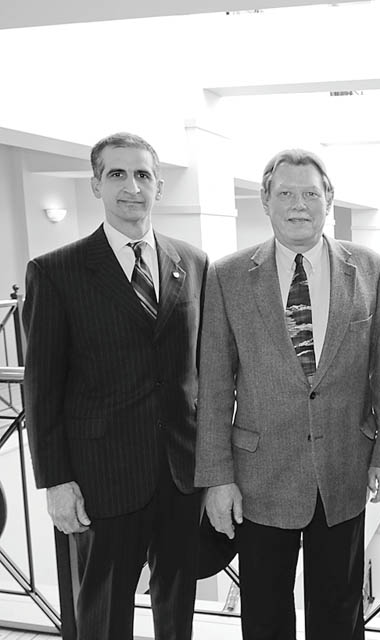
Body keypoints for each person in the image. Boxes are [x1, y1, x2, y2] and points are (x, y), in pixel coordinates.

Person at [194, 149, 380, 640]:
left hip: (343, 470)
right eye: (285, 193)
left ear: (329, 199)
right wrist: (217, 479)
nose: (298, 204)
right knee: (265, 616)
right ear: (265, 201)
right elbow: (215, 385)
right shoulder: (226, 275)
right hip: (259, 477)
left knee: (339, 613)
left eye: (309, 193)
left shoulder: (370, 268)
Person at [22, 132, 209, 640]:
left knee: (178, 607)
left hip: (181, 471)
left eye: (143, 175)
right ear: (96, 185)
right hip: (101, 476)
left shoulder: (193, 262)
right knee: (104, 613)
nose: (132, 187)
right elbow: (41, 388)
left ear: (159, 186)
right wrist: (56, 481)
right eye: (117, 174)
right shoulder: (55, 271)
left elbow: (204, 369)